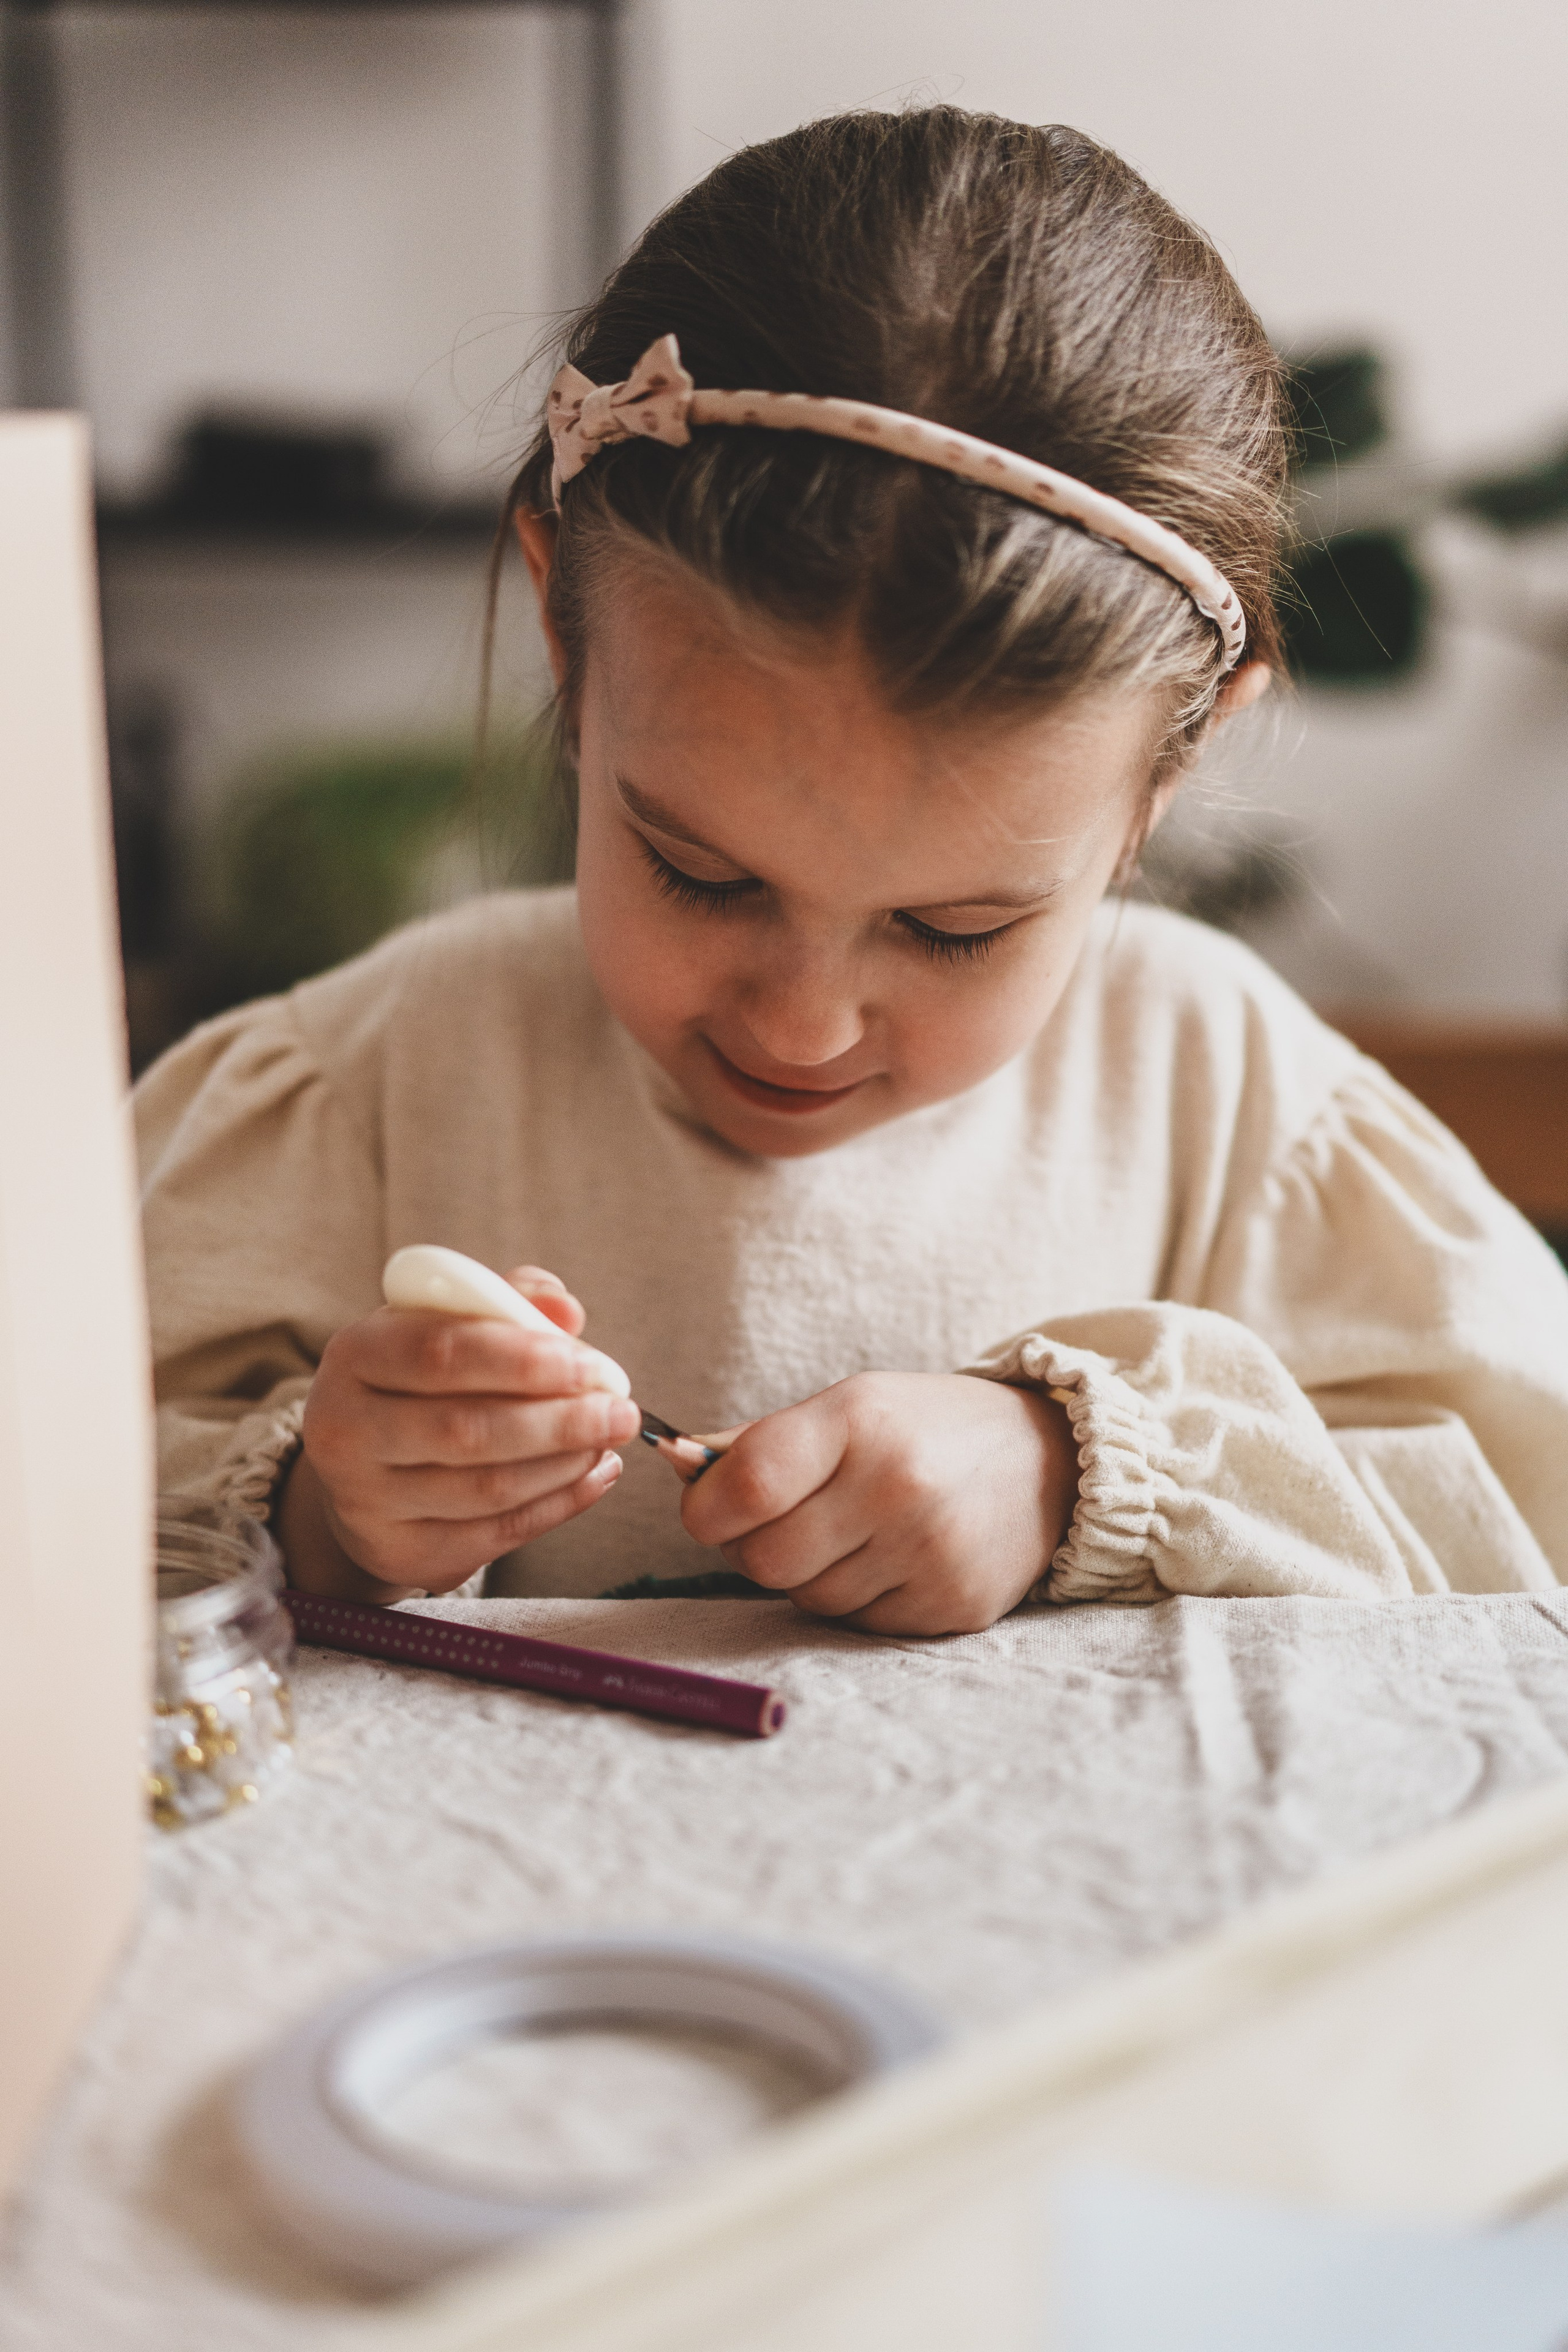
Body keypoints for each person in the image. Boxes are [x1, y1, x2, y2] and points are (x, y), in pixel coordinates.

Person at [137, 108, 1568, 1633]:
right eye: (698, 872)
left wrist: (1087, 1470)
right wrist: (324, 1513)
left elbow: (1509, 1536)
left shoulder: (1226, 1103)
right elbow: (70, 1523)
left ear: (1174, 765)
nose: (801, 1027)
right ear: (565, 624)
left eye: (954, 929)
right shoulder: (362, 1094)